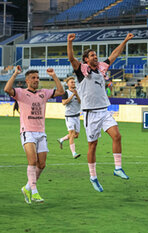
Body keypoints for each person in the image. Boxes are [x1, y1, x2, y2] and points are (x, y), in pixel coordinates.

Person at [67, 32, 134, 192]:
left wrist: (124, 40)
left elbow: (114, 55)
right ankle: (93, 177)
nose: (95, 57)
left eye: (96, 55)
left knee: (117, 136)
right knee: (93, 145)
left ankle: (117, 168)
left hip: (104, 111)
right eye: (92, 55)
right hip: (90, 114)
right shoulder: (81, 70)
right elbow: (71, 59)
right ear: (86, 59)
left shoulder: (102, 67)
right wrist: (69, 43)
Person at [4, 66, 64, 204]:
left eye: (37, 78)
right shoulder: (20, 92)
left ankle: (26, 188)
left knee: (41, 164)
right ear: (27, 80)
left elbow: (61, 91)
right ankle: (35, 192)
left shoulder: (43, 93)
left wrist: (54, 75)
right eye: (33, 78)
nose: (36, 80)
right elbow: (7, 89)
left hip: (41, 133)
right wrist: (14, 74)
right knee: (32, 161)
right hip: (27, 132)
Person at [57, 77, 81, 159]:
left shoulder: (78, 92)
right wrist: (72, 96)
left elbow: (80, 102)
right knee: (71, 135)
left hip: (77, 116)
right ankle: (74, 153)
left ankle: (62, 139)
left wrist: (76, 94)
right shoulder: (66, 93)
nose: (73, 83)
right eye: (72, 82)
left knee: (76, 135)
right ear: (68, 84)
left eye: (74, 82)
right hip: (69, 117)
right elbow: (64, 103)